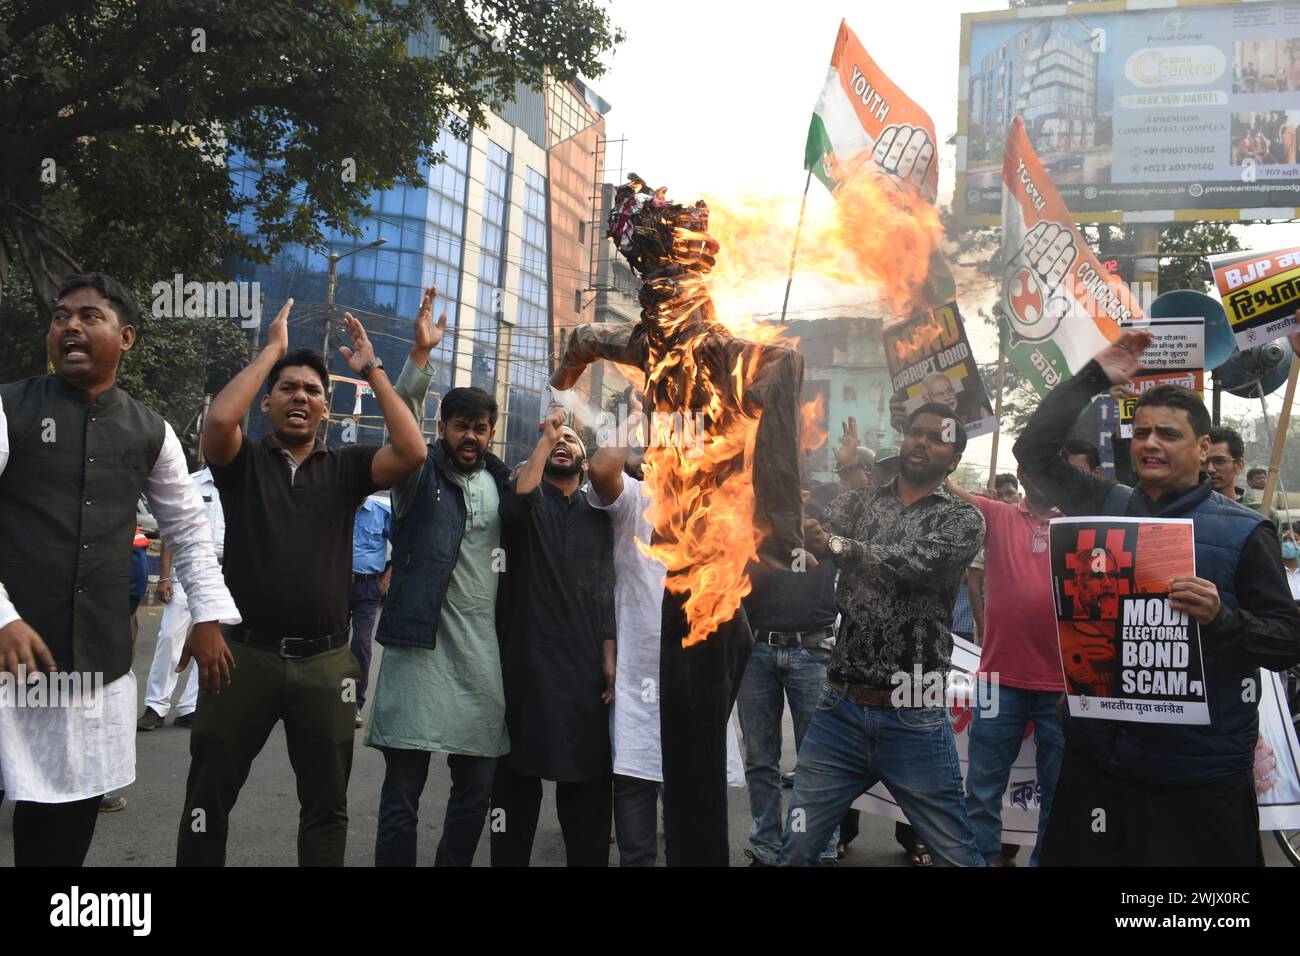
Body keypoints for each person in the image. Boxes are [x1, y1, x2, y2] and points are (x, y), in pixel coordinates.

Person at [1014, 329, 1300, 866]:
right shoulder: (1105, 503)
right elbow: (1031, 452)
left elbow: (1289, 641)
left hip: (1198, 774)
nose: (1150, 443)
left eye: (1168, 434)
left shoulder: (1245, 532)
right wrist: (1093, 379)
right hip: (1100, 760)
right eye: (1142, 432)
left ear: (1204, 448)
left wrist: (1223, 619)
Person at [175, 299, 426, 866]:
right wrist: (272, 350)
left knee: (325, 806)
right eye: (287, 387)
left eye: (313, 391)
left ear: (325, 410)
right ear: (266, 401)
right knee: (206, 800)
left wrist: (371, 368)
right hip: (241, 657)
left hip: (325, 664)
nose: (301, 397)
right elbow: (219, 422)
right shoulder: (242, 463)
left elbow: (411, 450)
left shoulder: (346, 469)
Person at [0, 273, 236, 867]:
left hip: (87, 665)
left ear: (125, 337)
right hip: (4, 660)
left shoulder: (150, 430)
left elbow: (186, 526)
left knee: (64, 817)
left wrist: (207, 614)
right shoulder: (9, 407)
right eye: (60, 317)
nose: (71, 326)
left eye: (89, 316)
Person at [364, 288, 556, 867]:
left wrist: (548, 441)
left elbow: (531, 504)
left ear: (492, 433)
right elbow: (400, 429)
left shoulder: (501, 485)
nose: (470, 436)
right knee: (402, 790)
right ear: (442, 426)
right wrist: (418, 361)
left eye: (480, 427)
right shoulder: (416, 474)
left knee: (474, 790)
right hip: (416, 650)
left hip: (480, 656)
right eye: (460, 426)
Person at [780, 403, 986, 867]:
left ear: (953, 459)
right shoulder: (859, 502)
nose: (922, 441)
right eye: (916, 432)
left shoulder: (964, 519)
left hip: (914, 715)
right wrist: (802, 532)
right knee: (796, 849)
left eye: (938, 437)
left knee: (955, 854)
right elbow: (810, 549)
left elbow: (908, 564)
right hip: (839, 710)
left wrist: (834, 544)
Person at [587, 396, 744, 866]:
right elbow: (599, 469)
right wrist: (638, 417)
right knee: (636, 845)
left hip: (695, 687)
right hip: (637, 685)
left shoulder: (716, 515)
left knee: (689, 834)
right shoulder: (634, 500)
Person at [490, 421, 618, 867]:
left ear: (585, 463)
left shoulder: (600, 514)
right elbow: (514, 509)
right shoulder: (527, 501)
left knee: (587, 790)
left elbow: (608, 590)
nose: (563, 444)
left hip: (583, 668)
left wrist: (609, 654)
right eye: (555, 441)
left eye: (572, 442)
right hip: (524, 661)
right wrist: (546, 439)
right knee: (513, 784)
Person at [945, 468, 1065, 867]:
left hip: (1063, 688)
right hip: (998, 683)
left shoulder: (1082, 526)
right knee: (982, 790)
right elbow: (944, 486)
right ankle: (982, 861)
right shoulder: (998, 515)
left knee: (1059, 795)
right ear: (1025, 476)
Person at [139, 468, 224, 732]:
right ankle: (156, 706)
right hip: (188, 568)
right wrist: (164, 577)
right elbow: (170, 530)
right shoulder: (191, 483)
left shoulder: (243, 482)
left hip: (224, 573)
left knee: (212, 640)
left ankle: (191, 707)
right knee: (169, 637)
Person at [349, 493, 391, 726]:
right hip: (335, 586)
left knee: (361, 646)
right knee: (328, 647)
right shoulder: (337, 507)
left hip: (367, 589)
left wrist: (387, 577)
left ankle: (354, 704)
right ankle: (326, 700)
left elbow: (404, 543)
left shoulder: (381, 512)